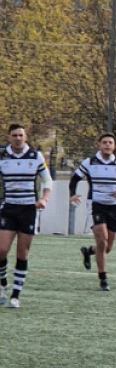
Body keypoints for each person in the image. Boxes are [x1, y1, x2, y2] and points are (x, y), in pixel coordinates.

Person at [70, 132, 116, 292]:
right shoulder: (89, 162)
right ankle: (103, 279)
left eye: (110, 142)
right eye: (104, 142)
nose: (107, 145)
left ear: (114, 146)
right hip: (96, 205)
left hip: (113, 206)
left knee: (107, 247)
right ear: (98, 144)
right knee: (102, 241)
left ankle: (88, 251)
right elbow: (75, 178)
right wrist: (72, 194)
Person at [0, 123, 52, 308]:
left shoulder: (35, 156)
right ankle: (2, 284)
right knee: (1, 250)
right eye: (14, 135)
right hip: (8, 208)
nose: (18, 138)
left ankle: (15, 295)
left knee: (22, 252)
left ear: (26, 137)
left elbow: (47, 180)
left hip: (28, 209)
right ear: (9, 137)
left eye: (21, 135)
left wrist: (44, 199)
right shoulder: (2, 156)